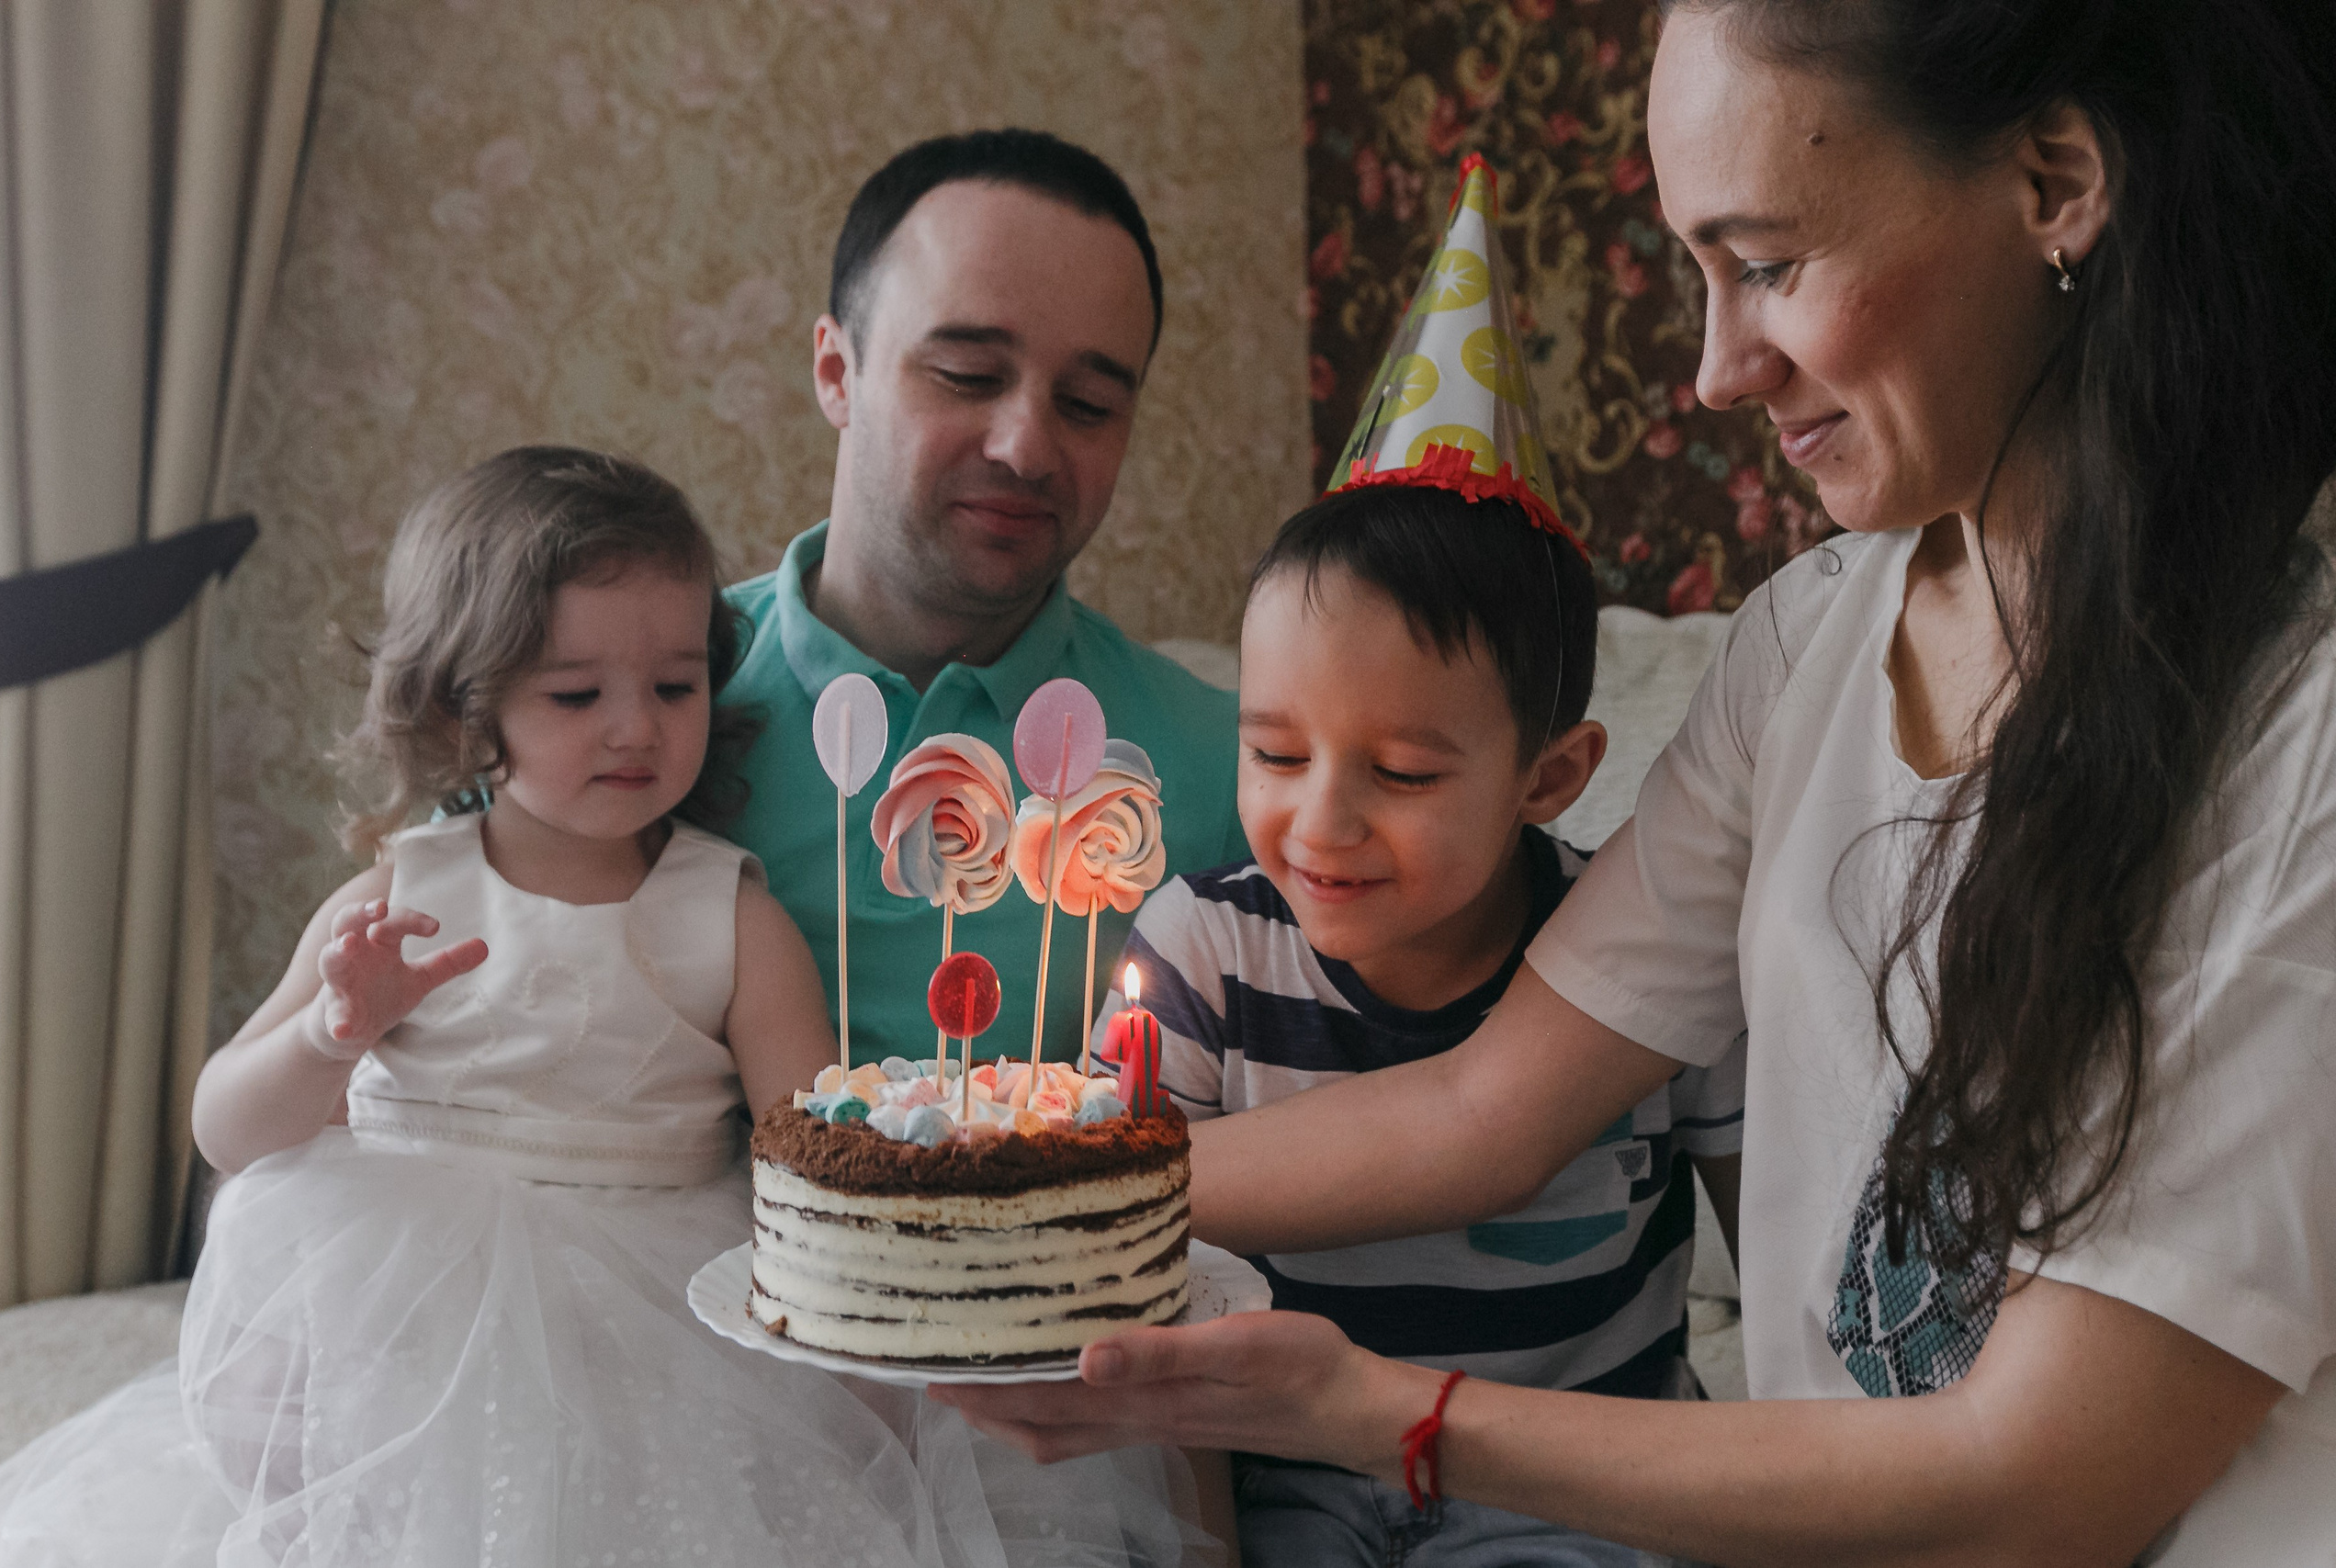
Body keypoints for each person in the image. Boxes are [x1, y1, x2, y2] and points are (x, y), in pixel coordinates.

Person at [935, 5, 2336, 1564]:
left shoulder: (2301, 739)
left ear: (2055, 183)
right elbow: (1487, 1108)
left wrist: (1380, 1411)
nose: (1717, 370)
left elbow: (2040, 1488)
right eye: (1696, 273)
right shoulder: (1803, 645)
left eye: (1770, 263)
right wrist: (992, 1194)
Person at [0, 447, 1208, 1567]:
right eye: (576, 695)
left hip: (647, 1299)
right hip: (398, 1292)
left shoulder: (727, 910)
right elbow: (227, 1127)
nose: (636, 727)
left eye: (675, 684)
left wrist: (871, 1379)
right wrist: (330, 1034)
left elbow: (814, 1153)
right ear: (465, 708)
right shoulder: (400, 895)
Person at [1100, 478, 1744, 1568]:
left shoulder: (1643, 955)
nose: (1320, 823)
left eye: (1401, 773)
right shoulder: (1200, 956)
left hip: (1572, 1489)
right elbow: (1150, 1307)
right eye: (1276, 755)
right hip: (1292, 1484)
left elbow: (1790, 1271)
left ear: (1549, 776)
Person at [717, 129, 1245, 1066]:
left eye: (1087, 405)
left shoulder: (1233, 775)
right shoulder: (626, 701)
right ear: (837, 372)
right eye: (967, 377)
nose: (1026, 448)